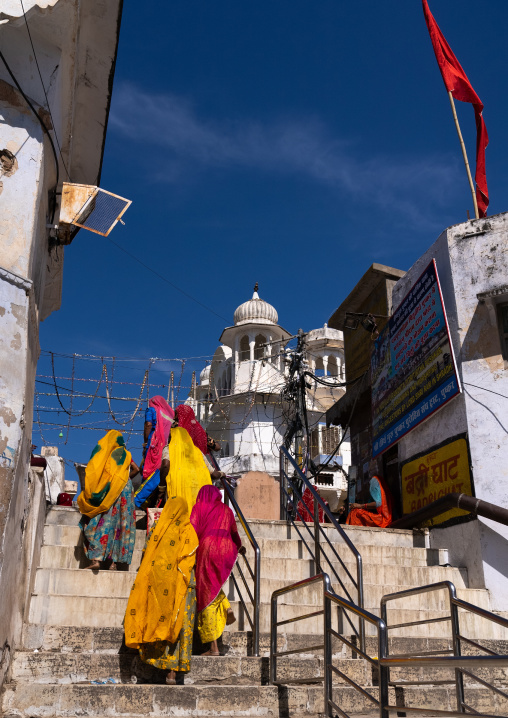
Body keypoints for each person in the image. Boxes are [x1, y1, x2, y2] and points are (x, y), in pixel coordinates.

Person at [124, 495, 198, 685]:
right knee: (178, 625)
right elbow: (190, 559)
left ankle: (154, 663)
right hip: (182, 586)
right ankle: (172, 672)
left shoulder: (158, 528)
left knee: (158, 620)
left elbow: (146, 554)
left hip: (157, 584)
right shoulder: (188, 530)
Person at [190, 485, 244, 655]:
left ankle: (213, 647)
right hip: (227, 548)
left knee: (205, 594)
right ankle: (225, 605)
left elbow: (191, 530)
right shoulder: (227, 510)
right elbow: (235, 533)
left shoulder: (199, 507)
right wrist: (239, 547)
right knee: (212, 585)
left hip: (208, 548)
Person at [77, 430, 137, 571]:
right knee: (119, 526)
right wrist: (125, 479)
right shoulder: (126, 454)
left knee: (100, 521)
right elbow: (136, 469)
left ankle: (96, 559)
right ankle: (113, 563)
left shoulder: (107, 452)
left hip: (109, 490)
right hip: (125, 489)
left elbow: (96, 469)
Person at [134, 396, 174, 508]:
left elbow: (148, 424)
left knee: (150, 472)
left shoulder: (152, 410)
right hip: (167, 447)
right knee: (160, 473)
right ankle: (155, 502)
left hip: (154, 445)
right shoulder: (170, 415)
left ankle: (139, 501)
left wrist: (145, 443)